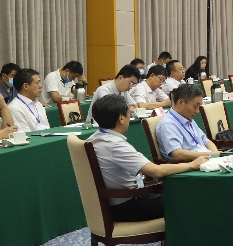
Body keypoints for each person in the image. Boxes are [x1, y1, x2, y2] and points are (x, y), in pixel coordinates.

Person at [87, 95, 204, 223]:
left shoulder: (93, 138)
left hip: (117, 202)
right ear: (121, 118)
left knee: (176, 192)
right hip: (128, 205)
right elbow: (156, 171)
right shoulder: (115, 145)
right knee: (190, 198)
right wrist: (192, 165)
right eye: (129, 114)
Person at [154, 84, 217, 162]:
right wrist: (209, 155)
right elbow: (178, 154)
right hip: (190, 164)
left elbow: (206, 141)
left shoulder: (188, 118)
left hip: (206, 159)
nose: (197, 111)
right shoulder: (167, 124)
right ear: (181, 102)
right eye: (195, 106)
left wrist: (216, 154)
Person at [7, 68, 51, 133]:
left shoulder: (38, 104)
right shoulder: (15, 108)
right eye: (37, 83)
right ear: (26, 86)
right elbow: (24, 135)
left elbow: (47, 128)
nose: (41, 86)